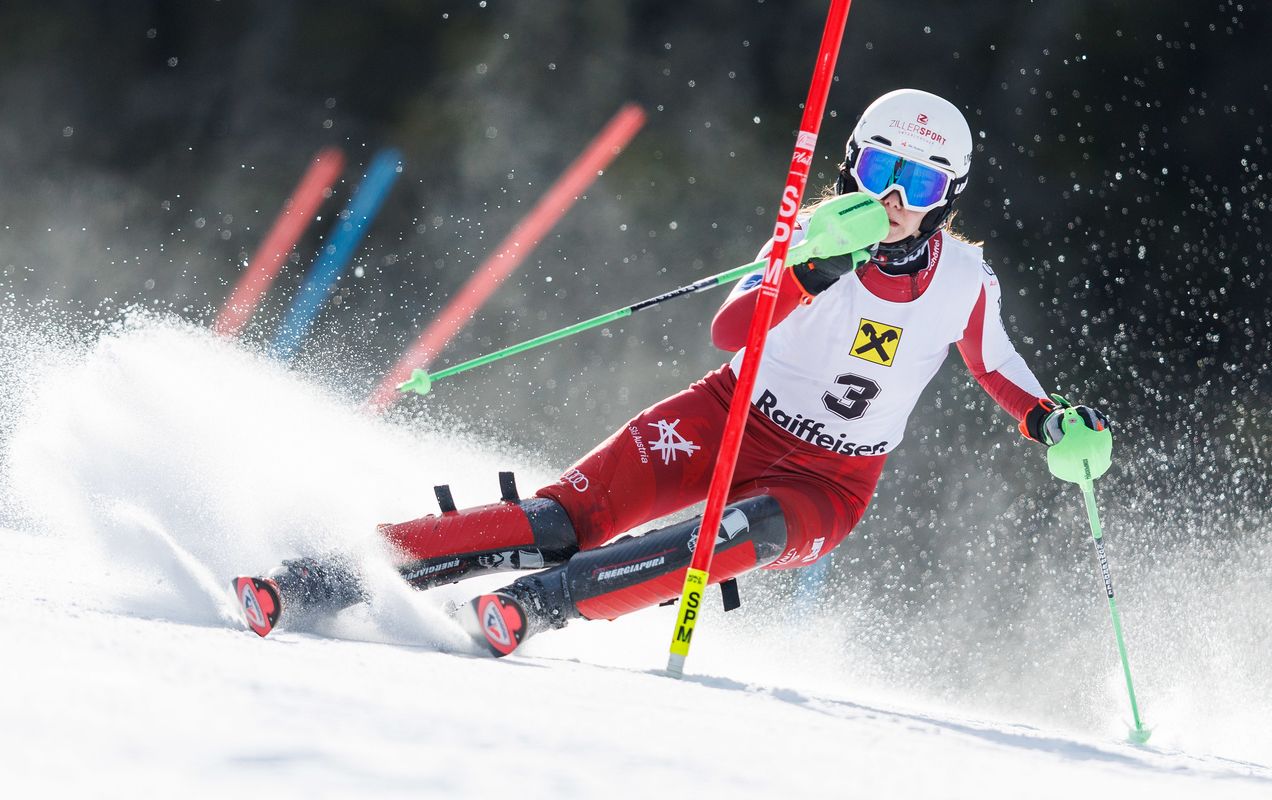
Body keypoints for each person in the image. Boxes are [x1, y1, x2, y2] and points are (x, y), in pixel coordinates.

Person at [233, 88, 1108, 656]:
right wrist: (809, 268)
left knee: (726, 538)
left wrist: (1051, 423)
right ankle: (318, 578)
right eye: (877, 171)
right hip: (730, 414)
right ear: (849, 167)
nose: (888, 202)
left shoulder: (964, 279)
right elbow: (732, 328)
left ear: (944, 199)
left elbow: (1000, 367)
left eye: (913, 185)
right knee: (558, 518)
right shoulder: (807, 239)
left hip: (828, 481)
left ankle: (535, 608)